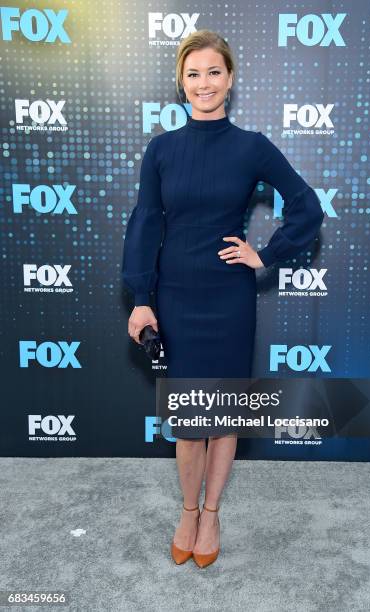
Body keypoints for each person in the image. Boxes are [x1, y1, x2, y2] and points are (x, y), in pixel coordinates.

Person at [122, 29, 324, 568]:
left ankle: (212, 513)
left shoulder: (251, 146)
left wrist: (267, 254)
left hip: (229, 299)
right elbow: (145, 223)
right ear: (181, 82)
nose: (203, 83)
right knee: (189, 420)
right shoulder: (161, 149)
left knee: (225, 416)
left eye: (214, 72)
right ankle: (187, 509)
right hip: (175, 298)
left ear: (230, 80)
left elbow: (306, 205)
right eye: (193, 73)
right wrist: (142, 297)